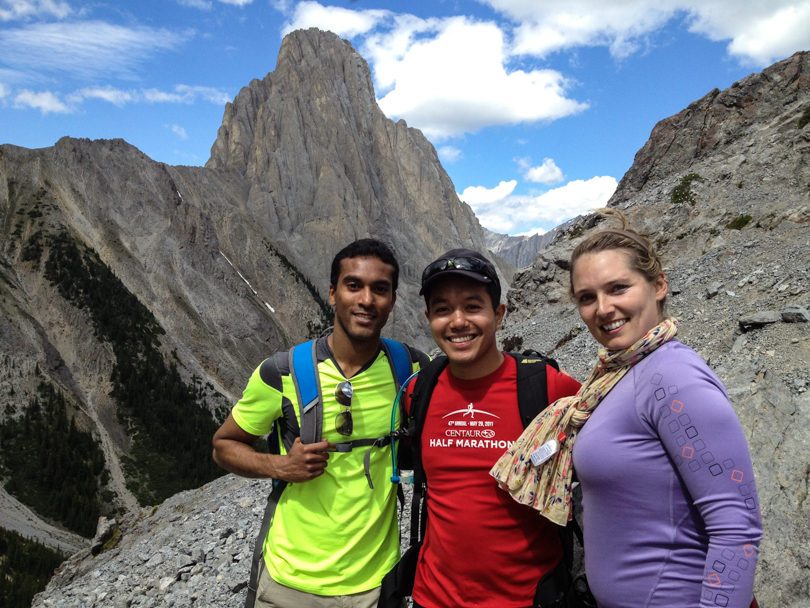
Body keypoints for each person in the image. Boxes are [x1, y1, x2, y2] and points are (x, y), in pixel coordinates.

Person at [491, 210, 762, 608]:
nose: (602, 309)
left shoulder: (672, 377)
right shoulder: (619, 374)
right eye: (587, 297)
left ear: (658, 285)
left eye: (618, 288)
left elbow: (737, 527)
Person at [212, 238, 427, 608]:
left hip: (377, 586)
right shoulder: (281, 373)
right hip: (289, 584)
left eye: (380, 289)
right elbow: (223, 445)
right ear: (332, 293)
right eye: (353, 285)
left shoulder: (411, 370)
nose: (366, 300)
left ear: (392, 301)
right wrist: (280, 465)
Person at [403, 249, 581, 608]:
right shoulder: (417, 391)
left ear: (498, 315)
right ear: (428, 318)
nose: (457, 321)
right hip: (432, 597)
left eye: (472, 306)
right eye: (442, 309)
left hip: (527, 598)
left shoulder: (546, 387)